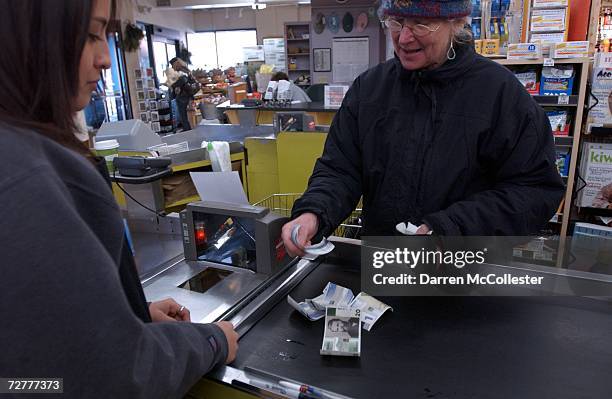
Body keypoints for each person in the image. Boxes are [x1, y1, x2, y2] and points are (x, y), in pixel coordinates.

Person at [0, 1, 238, 397]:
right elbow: (114, 376)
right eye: (92, 34)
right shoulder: (26, 177)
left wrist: (129, 319)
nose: (106, 60)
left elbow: (36, 361)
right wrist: (209, 342)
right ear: (34, 35)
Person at [282, 0, 565, 255]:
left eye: (421, 23)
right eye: (396, 21)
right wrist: (315, 212)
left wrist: (453, 229)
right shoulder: (369, 89)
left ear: (457, 23)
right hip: (383, 270)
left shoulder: (501, 95)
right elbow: (341, 169)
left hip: (467, 280)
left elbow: (535, 191)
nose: (403, 38)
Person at [169, 56, 199, 131]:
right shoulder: (181, 72)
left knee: (186, 116)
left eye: (178, 63)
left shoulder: (183, 72)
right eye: (176, 63)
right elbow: (175, 85)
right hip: (184, 97)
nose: (178, 64)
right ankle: (188, 129)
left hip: (185, 97)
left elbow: (188, 82)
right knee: (185, 116)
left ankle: (188, 129)